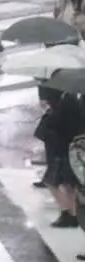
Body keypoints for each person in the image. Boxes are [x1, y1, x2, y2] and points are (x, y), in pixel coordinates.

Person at [35, 87, 80, 229]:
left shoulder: (65, 103)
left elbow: (58, 124)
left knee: (51, 182)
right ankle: (72, 214)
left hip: (60, 147)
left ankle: (66, 212)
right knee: (68, 183)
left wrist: (49, 112)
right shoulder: (72, 99)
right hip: (68, 147)